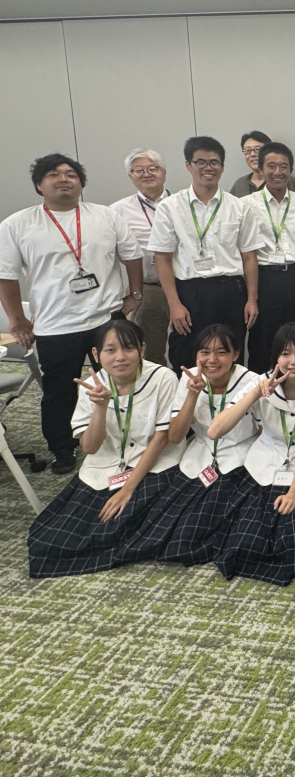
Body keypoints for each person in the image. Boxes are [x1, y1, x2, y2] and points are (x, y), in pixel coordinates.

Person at [0, 153, 144, 475]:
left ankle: (125, 437)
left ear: (81, 183)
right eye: (53, 174)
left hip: (106, 318)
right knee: (59, 391)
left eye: (71, 174)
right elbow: (5, 276)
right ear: (39, 185)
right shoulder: (17, 224)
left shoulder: (105, 216)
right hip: (55, 325)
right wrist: (17, 320)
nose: (63, 179)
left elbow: (132, 256)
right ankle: (63, 448)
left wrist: (135, 294)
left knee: (120, 381)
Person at [27, 319, 180, 577]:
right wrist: (100, 406)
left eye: (128, 348)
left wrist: (127, 489)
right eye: (110, 350)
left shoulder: (163, 378)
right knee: (50, 540)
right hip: (105, 468)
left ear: (142, 350)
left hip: (152, 466)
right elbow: (89, 447)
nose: (120, 357)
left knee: (122, 523)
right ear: (96, 354)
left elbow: (161, 439)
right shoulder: (92, 385)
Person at [209, 321, 295, 586]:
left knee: (292, 538)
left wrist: (294, 492)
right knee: (243, 541)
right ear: (276, 357)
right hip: (266, 464)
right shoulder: (260, 382)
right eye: (285, 353)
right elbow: (215, 430)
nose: (293, 361)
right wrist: (255, 394)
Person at [116, 324, 260, 566]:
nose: (212, 360)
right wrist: (192, 394)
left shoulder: (252, 382)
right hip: (200, 455)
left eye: (221, 352)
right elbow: (175, 436)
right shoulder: (189, 377)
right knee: (163, 517)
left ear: (236, 354)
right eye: (205, 352)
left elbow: (263, 430)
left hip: (240, 457)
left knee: (198, 525)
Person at [147, 136, 263, 374]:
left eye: (214, 162)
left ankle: (229, 398)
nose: (208, 168)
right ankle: (189, 397)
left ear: (222, 166)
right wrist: (174, 304)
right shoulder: (170, 207)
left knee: (230, 354)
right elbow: (163, 258)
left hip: (231, 291)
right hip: (190, 293)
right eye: (201, 162)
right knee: (186, 355)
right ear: (188, 165)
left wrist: (252, 299)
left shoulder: (239, 207)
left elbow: (249, 256)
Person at [243, 142, 295, 373]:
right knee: (263, 338)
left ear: (291, 170)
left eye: (283, 166)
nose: (277, 172)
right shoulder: (247, 205)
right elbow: (245, 250)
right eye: (271, 166)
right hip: (265, 278)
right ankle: (261, 386)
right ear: (261, 169)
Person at [111, 149, 171, 365]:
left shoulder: (182, 203)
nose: (147, 174)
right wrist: (134, 294)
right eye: (139, 170)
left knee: (190, 345)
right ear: (131, 176)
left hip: (184, 285)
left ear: (164, 173)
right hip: (148, 289)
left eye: (153, 168)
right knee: (150, 351)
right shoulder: (117, 211)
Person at [230, 130, 295, 197]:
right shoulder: (239, 185)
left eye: (258, 149)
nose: (252, 154)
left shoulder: (288, 182)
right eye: (248, 150)